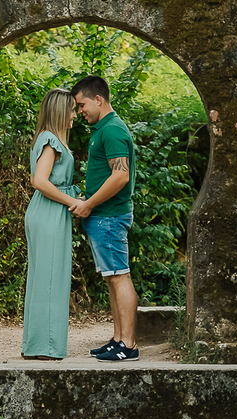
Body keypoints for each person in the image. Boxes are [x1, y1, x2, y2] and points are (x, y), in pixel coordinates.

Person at [70, 76, 139, 363]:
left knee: (120, 276)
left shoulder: (111, 130)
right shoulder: (103, 128)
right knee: (112, 277)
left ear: (98, 99)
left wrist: (88, 204)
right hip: (103, 216)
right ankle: (118, 339)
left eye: (82, 104)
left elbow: (120, 176)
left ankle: (128, 345)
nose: (80, 111)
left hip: (109, 217)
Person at [22, 88, 84, 361]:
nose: (75, 115)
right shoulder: (50, 140)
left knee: (43, 277)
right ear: (60, 111)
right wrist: (73, 202)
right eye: (71, 110)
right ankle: (45, 347)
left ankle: (35, 344)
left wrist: (74, 198)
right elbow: (39, 181)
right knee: (50, 279)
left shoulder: (47, 138)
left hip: (47, 210)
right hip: (49, 212)